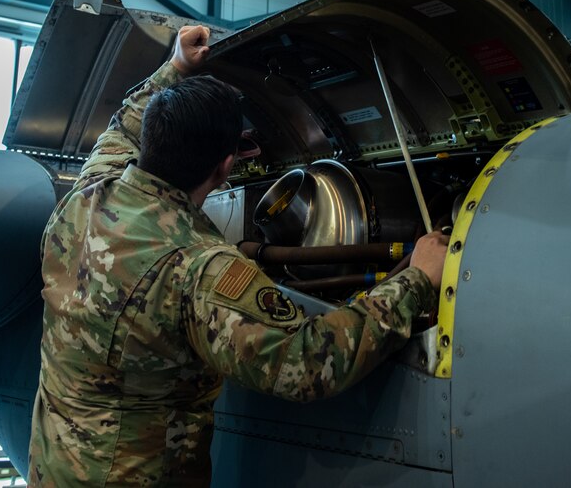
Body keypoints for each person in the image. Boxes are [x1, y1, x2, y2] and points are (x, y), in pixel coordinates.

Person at [27, 24, 449, 486]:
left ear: (152, 139)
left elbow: (124, 125)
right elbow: (305, 363)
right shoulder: (197, 269)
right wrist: (418, 281)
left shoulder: (85, 194)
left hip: (53, 469)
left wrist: (176, 67)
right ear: (227, 165)